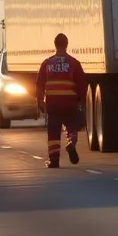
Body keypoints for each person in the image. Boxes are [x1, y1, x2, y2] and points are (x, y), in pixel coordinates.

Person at [36, 33, 87, 168]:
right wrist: (82, 102)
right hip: (70, 103)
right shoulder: (74, 63)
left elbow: (39, 83)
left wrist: (40, 100)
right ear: (67, 44)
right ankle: (71, 143)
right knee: (72, 127)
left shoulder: (47, 63)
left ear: (55, 44)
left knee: (53, 132)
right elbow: (82, 84)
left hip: (53, 104)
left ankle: (54, 160)